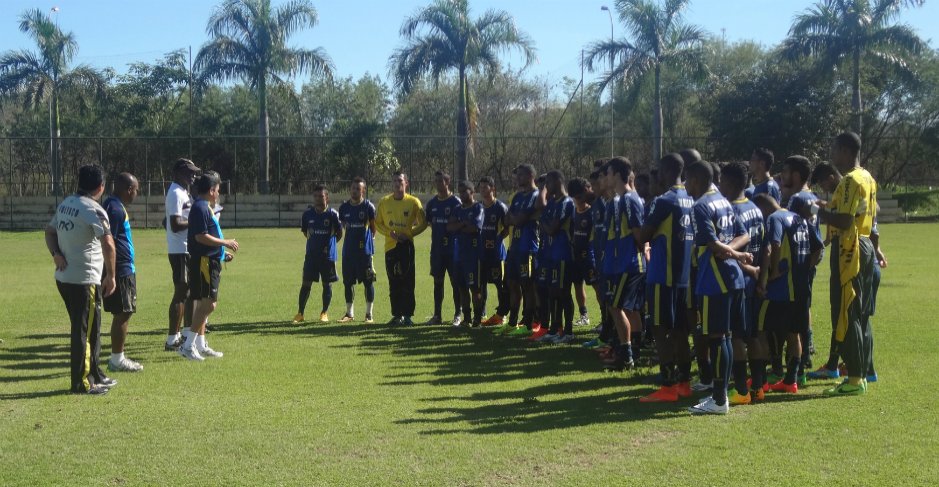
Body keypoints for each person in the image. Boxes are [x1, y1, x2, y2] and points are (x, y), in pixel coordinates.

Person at [796, 132, 877, 396]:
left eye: (834, 150)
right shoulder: (868, 177)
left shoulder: (851, 180)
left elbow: (844, 221)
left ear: (844, 150)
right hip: (863, 245)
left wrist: (815, 211)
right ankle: (863, 372)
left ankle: (854, 379)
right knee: (858, 311)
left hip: (850, 248)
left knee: (847, 311)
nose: (832, 156)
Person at [684, 161, 751, 415]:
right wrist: (735, 253)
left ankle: (719, 398)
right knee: (726, 337)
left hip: (714, 280)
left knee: (716, 337)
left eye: (687, 179)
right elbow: (744, 235)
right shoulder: (723, 201)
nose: (686, 185)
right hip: (732, 278)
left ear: (698, 178)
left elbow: (712, 244)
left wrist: (732, 253)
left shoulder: (701, 206)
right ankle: (719, 395)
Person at [45, 164, 118, 395]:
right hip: (83, 280)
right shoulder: (93, 209)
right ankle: (81, 383)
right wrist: (112, 275)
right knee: (83, 331)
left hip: (66, 277)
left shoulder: (67, 203)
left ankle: (95, 373)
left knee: (92, 328)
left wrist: (55, 254)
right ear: (101, 186)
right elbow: (108, 243)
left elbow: (49, 231)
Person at [638, 153, 695, 403]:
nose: (657, 175)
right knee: (681, 331)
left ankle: (668, 385)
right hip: (684, 277)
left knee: (661, 330)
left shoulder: (665, 201)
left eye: (660, 170)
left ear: (669, 171)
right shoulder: (691, 199)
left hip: (663, 275)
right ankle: (684, 382)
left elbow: (642, 237)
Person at [753, 193, 822, 394]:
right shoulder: (799, 218)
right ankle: (791, 380)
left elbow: (772, 246)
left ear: (763, 208)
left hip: (781, 291)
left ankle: (762, 381)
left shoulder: (775, 219)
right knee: (794, 334)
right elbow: (818, 248)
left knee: (760, 330)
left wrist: (772, 273)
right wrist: (804, 268)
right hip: (801, 288)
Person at [719, 162, 768, 405]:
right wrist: (762, 276)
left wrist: (750, 271)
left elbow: (730, 251)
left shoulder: (732, 211)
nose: (720, 186)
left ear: (730, 183)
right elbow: (767, 248)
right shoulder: (756, 209)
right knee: (753, 336)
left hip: (740, 281)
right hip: (755, 282)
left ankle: (741, 390)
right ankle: (758, 387)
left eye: (722, 181)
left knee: (737, 337)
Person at [178, 171, 239, 361]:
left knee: (204, 303)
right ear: (212, 190)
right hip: (204, 262)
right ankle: (187, 346)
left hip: (209, 260)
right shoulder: (201, 208)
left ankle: (200, 344)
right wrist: (225, 242)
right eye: (218, 189)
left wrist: (221, 254)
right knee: (208, 304)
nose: (219, 193)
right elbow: (200, 237)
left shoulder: (204, 207)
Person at [601, 157, 645, 370]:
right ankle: (635, 352)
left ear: (617, 175)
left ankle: (626, 355)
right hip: (627, 263)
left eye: (608, 173)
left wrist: (639, 250)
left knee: (616, 307)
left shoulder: (628, 200)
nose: (606, 178)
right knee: (632, 309)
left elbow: (638, 232)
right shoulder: (624, 199)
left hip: (629, 264)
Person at [782, 155, 822, 373]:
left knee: (795, 313)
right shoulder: (813, 197)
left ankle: (800, 358)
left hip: (800, 265)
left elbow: (811, 238)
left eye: (786, 172)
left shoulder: (797, 200)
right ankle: (805, 352)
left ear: (796, 175)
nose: (783, 177)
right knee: (803, 308)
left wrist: (805, 267)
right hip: (808, 262)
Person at [102, 172, 144, 372]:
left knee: (123, 312)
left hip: (122, 268)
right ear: (129, 189)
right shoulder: (115, 209)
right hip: (121, 270)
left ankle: (117, 357)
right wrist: (112, 272)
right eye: (136, 189)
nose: (136, 193)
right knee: (123, 313)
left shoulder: (113, 205)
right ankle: (117, 359)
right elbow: (108, 241)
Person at [375, 171, 428, 326]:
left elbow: (423, 223)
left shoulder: (414, 202)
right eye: (394, 181)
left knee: (408, 281)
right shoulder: (384, 202)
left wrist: (409, 233)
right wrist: (388, 233)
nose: (397, 183)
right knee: (393, 281)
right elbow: (378, 223)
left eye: (400, 180)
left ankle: (408, 316)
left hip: (407, 247)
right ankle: (397, 315)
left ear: (406, 183)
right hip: (390, 247)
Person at [493, 164, 540, 337]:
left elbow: (519, 220)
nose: (517, 178)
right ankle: (513, 322)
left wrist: (517, 218)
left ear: (529, 175)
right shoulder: (518, 196)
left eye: (520, 175)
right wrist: (516, 218)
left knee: (527, 285)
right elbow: (507, 219)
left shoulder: (536, 196)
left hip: (528, 248)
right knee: (512, 283)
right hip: (514, 248)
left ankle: (528, 323)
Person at [534, 171, 576, 343]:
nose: (546, 187)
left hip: (563, 254)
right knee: (552, 292)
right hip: (551, 255)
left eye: (548, 183)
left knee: (563, 292)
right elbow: (543, 218)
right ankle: (554, 329)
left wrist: (544, 221)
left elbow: (552, 228)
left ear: (558, 181)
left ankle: (568, 331)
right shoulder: (552, 202)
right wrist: (545, 221)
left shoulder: (567, 203)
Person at [164, 158, 200, 351]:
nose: (193, 175)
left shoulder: (183, 192)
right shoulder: (176, 193)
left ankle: (185, 334)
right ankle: (172, 339)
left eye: (194, 172)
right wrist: (196, 222)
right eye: (189, 172)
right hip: (180, 250)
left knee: (188, 292)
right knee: (180, 292)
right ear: (178, 173)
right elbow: (175, 224)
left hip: (186, 248)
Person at [293, 184, 343, 324]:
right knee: (306, 283)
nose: (317, 199)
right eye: (315, 196)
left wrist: (330, 246)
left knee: (327, 285)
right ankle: (300, 313)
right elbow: (305, 232)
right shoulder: (307, 214)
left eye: (320, 196)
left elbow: (339, 233)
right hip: (311, 256)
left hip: (327, 257)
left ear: (326, 197)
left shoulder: (333, 214)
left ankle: (324, 312)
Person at [337, 177, 377, 324]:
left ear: (363, 190)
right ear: (350, 189)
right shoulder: (344, 208)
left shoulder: (368, 207)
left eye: (358, 189)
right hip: (348, 252)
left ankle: (369, 314)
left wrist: (369, 246)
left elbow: (373, 228)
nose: (355, 191)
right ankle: (349, 313)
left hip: (364, 253)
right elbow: (341, 227)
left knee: (368, 282)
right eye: (353, 188)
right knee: (348, 283)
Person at [425, 170, 463, 325]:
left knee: (456, 282)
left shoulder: (456, 202)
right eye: (436, 181)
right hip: (437, 250)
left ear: (448, 182)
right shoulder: (432, 203)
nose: (438, 184)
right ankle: (437, 315)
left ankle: (458, 314)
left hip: (453, 249)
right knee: (438, 282)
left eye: (441, 181)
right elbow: (428, 222)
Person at [448, 180, 485, 327]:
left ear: (472, 191)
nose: (462, 194)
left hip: (473, 256)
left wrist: (459, 225)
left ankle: (477, 318)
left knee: (474, 288)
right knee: (462, 288)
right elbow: (450, 227)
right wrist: (463, 223)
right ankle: (467, 318)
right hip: (458, 256)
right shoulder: (457, 209)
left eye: (465, 191)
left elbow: (475, 228)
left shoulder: (478, 207)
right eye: (460, 191)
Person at [478, 177, 511, 326]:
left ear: (493, 189)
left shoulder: (500, 208)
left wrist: (498, 239)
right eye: (481, 187)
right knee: (481, 285)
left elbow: (507, 228)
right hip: (481, 253)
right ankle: (481, 313)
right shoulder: (478, 207)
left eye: (486, 187)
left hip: (497, 254)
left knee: (500, 285)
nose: (483, 190)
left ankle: (501, 314)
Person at [567, 177, 596, 328]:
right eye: (575, 198)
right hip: (575, 256)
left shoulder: (592, 212)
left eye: (579, 197)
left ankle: (605, 319)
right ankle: (584, 315)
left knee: (597, 286)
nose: (578, 201)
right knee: (578, 285)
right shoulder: (573, 211)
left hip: (590, 257)